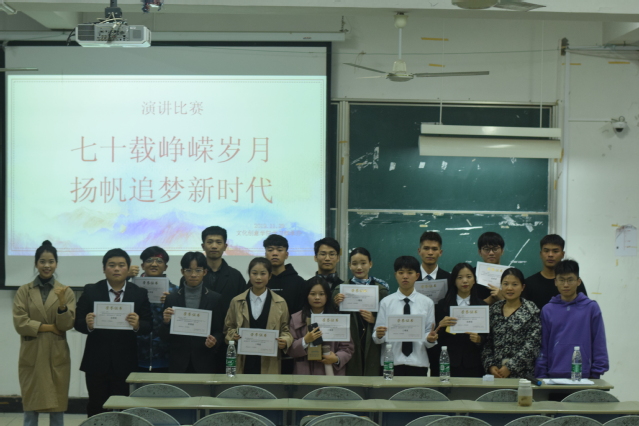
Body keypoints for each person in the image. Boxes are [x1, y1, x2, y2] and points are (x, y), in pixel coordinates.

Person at [74, 248, 153, 417]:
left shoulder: (139, 293)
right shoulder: (91, 291)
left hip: (126, 362)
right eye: (111, 265)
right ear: (104, 269)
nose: (116, 269)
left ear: (128, 268)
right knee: (96, 407)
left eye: (121, 265)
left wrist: (138, 325)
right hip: (96, 362)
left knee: (123, 409)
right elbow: (77, 322)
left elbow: (149, 324)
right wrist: (88, 324)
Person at [13, 241, 76, 426]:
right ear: (36, 264)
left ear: (56, 264)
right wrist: (49, 328)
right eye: (42, 261)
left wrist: (62, 304)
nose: (47, 265)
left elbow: (66, 325)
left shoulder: (66, 292)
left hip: (56, 354)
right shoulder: (24, 291)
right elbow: (20, 323)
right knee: (30, 409)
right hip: (32, 353)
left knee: (57, 409)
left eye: (51, 261)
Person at [535, 259, 608, 379]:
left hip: (585, 376)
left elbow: (599, 341)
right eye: (561, 280)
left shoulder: (591, 308)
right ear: (555, 282)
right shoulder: (548, 310)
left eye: (570, 280)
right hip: (553, 377)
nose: (566, 285)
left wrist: (596, 372)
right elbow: (543, 345)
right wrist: (541, 374)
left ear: (578, 281)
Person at [224, 257, 293, 374]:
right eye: (254, 273)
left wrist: (285, 340)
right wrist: (233, 335)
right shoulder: (237, 301)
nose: (258, 277)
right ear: (249, 275)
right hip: (244, 359)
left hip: (269, 360)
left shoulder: (280, 302)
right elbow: (228, 328)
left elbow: (286, 330)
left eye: (263, 273)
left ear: (270, 276)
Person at [373, 256, 438, 376]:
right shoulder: (386, 302)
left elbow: (428, 335)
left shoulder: (427, 302)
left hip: (418, 363)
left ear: (417, 276)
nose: (405, 276)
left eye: (410, 272)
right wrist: (379, 334)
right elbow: (376, 337)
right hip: (391, 363)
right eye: (401, 272)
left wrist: (430, 339)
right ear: (395, 275)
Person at [160, 252, 224, 373]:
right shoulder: (172, 298)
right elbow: (164, 337)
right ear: (182, 272)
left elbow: (219, 331)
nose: (193, 274)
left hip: (204, 360)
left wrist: (214, 340)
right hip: (178, 362)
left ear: (205, 272)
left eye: (198, 270)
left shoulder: (215, 298)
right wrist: (166, 322)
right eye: (189, 270)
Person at [196, 226, 247, 372]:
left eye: (218, 242)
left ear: (225, 246)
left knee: (228, 380)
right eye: (210, 242)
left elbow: (243, 309)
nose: (214, 246)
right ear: (203, 246)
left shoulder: (236, 276)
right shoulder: (193, 276)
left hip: (228, 342)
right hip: (199, 340)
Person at [333, 247, 389, 376]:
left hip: (373, 345)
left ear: (370, 264)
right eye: (354, 263)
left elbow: (388, 320)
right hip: (349, 342)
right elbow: (332, 321)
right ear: (349, 265)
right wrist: (336, 305)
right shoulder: (340, 290)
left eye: (363, 263)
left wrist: (374, 320)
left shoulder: (381, 290)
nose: (359, 267)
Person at [482, 268, 541, 379]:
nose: (509, 288)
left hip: (522, 376)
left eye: (514, 284)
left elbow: (533, 344)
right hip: (496, 375)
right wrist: (490, 366)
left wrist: (510, 367)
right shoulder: (494, 310)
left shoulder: (531, 310)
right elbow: (487, 342)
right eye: (505, 284)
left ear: (522, 287)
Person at [288, 277, 354, 375]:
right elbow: (290, 349)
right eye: (312, 294)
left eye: (321, 294)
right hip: (304, 372)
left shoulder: (338, 319)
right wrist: (305, 340)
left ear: (327, 296)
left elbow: (348, 348)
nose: (317, 297)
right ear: (306, 295)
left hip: (331, 371)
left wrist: (336, 358)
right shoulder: (296, 319)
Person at [436, 263, 487, 378]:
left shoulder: (482, 306)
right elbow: (436, 337)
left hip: (474, 362)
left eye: (469, 277)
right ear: (454, 281)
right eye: (460, 277)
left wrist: (479, 339)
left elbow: (487, 337)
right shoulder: (443, 305)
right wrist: (440, 326)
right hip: (448, 362)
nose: (465, 281)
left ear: (474, 280)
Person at [136, 246, 178, 372]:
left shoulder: (176, 292)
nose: (154, 264)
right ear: (142, 265)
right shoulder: (132, 289)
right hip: (136, 355)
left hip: (166, 356)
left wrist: (171, 302)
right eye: (149, 260)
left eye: (159, 261)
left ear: (165, 267)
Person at [525, 234, 588, 310]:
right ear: (541, 254)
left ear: (563, 254)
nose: (550, 255)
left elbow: (585, 309)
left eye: (555, 251)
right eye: (546, 251)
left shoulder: (573, 282)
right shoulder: (529, 283)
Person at [417, 231, 450, 375]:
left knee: (439, 379)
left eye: (434, 249)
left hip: (442, 339)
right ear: (419, 251)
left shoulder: (449, 279)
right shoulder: (410, 277)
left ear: (440, 252)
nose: (430, 252)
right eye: (426, 248)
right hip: (415, 337)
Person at [263, 234, 307, 315]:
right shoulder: (259, 281)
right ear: (265, 254)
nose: (275, 253)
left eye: (279, 250)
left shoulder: (298, 282)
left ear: (286, 255)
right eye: (270, 250)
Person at [475, 232, 505, 304]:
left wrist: (503, 298)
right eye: (486, 249)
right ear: (479, 252)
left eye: (495, 249)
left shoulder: (510, 275)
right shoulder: (472, 275)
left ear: (502, 251)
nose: (491, 253)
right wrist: (489, 300)